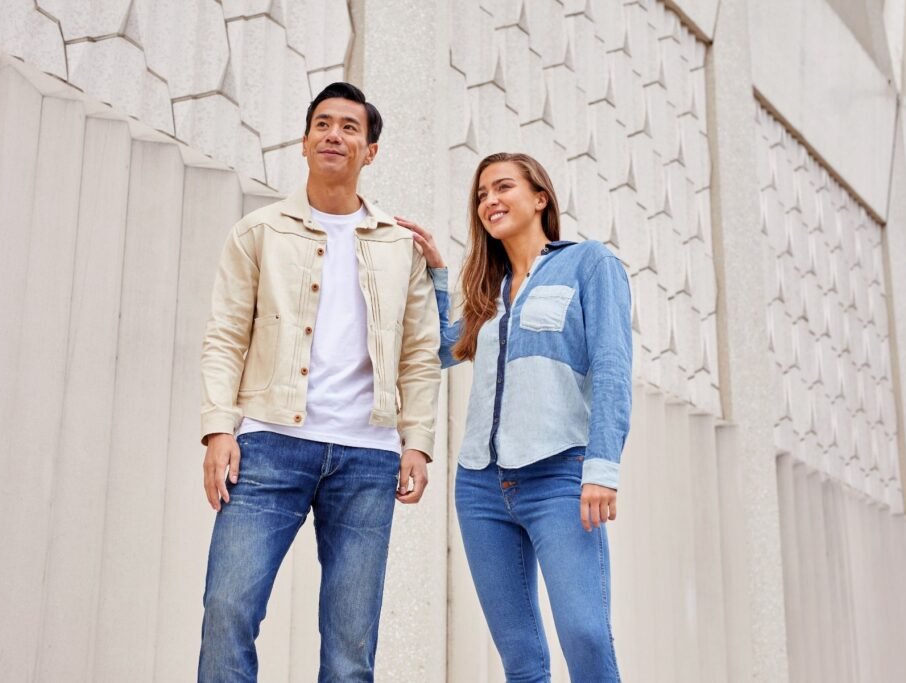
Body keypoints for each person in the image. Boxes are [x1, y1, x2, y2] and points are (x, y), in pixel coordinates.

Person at [198, 82, 441, 682]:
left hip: (367, 456)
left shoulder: (399, 246)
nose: (334, 135)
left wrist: (417, 440)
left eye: (349, 127)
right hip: (268, 446)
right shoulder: (258, 232)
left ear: (370, 151)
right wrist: (218, 429)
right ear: (304, 142)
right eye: (323, 125)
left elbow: (420, 352)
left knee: (350, 644)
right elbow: (226, 336)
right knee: (227, 609)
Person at [398, 152, 632, 682]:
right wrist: (436, 273)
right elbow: (439, 349)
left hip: (560, 476)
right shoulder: (489, 289)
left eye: (503, 187)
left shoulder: (589, 263)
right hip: (480, 486)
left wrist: (602, 468)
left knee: (587, 634)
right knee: (521, 659)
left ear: (540, 198)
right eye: (482, 195)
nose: (490, 201)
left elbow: (612, 368)